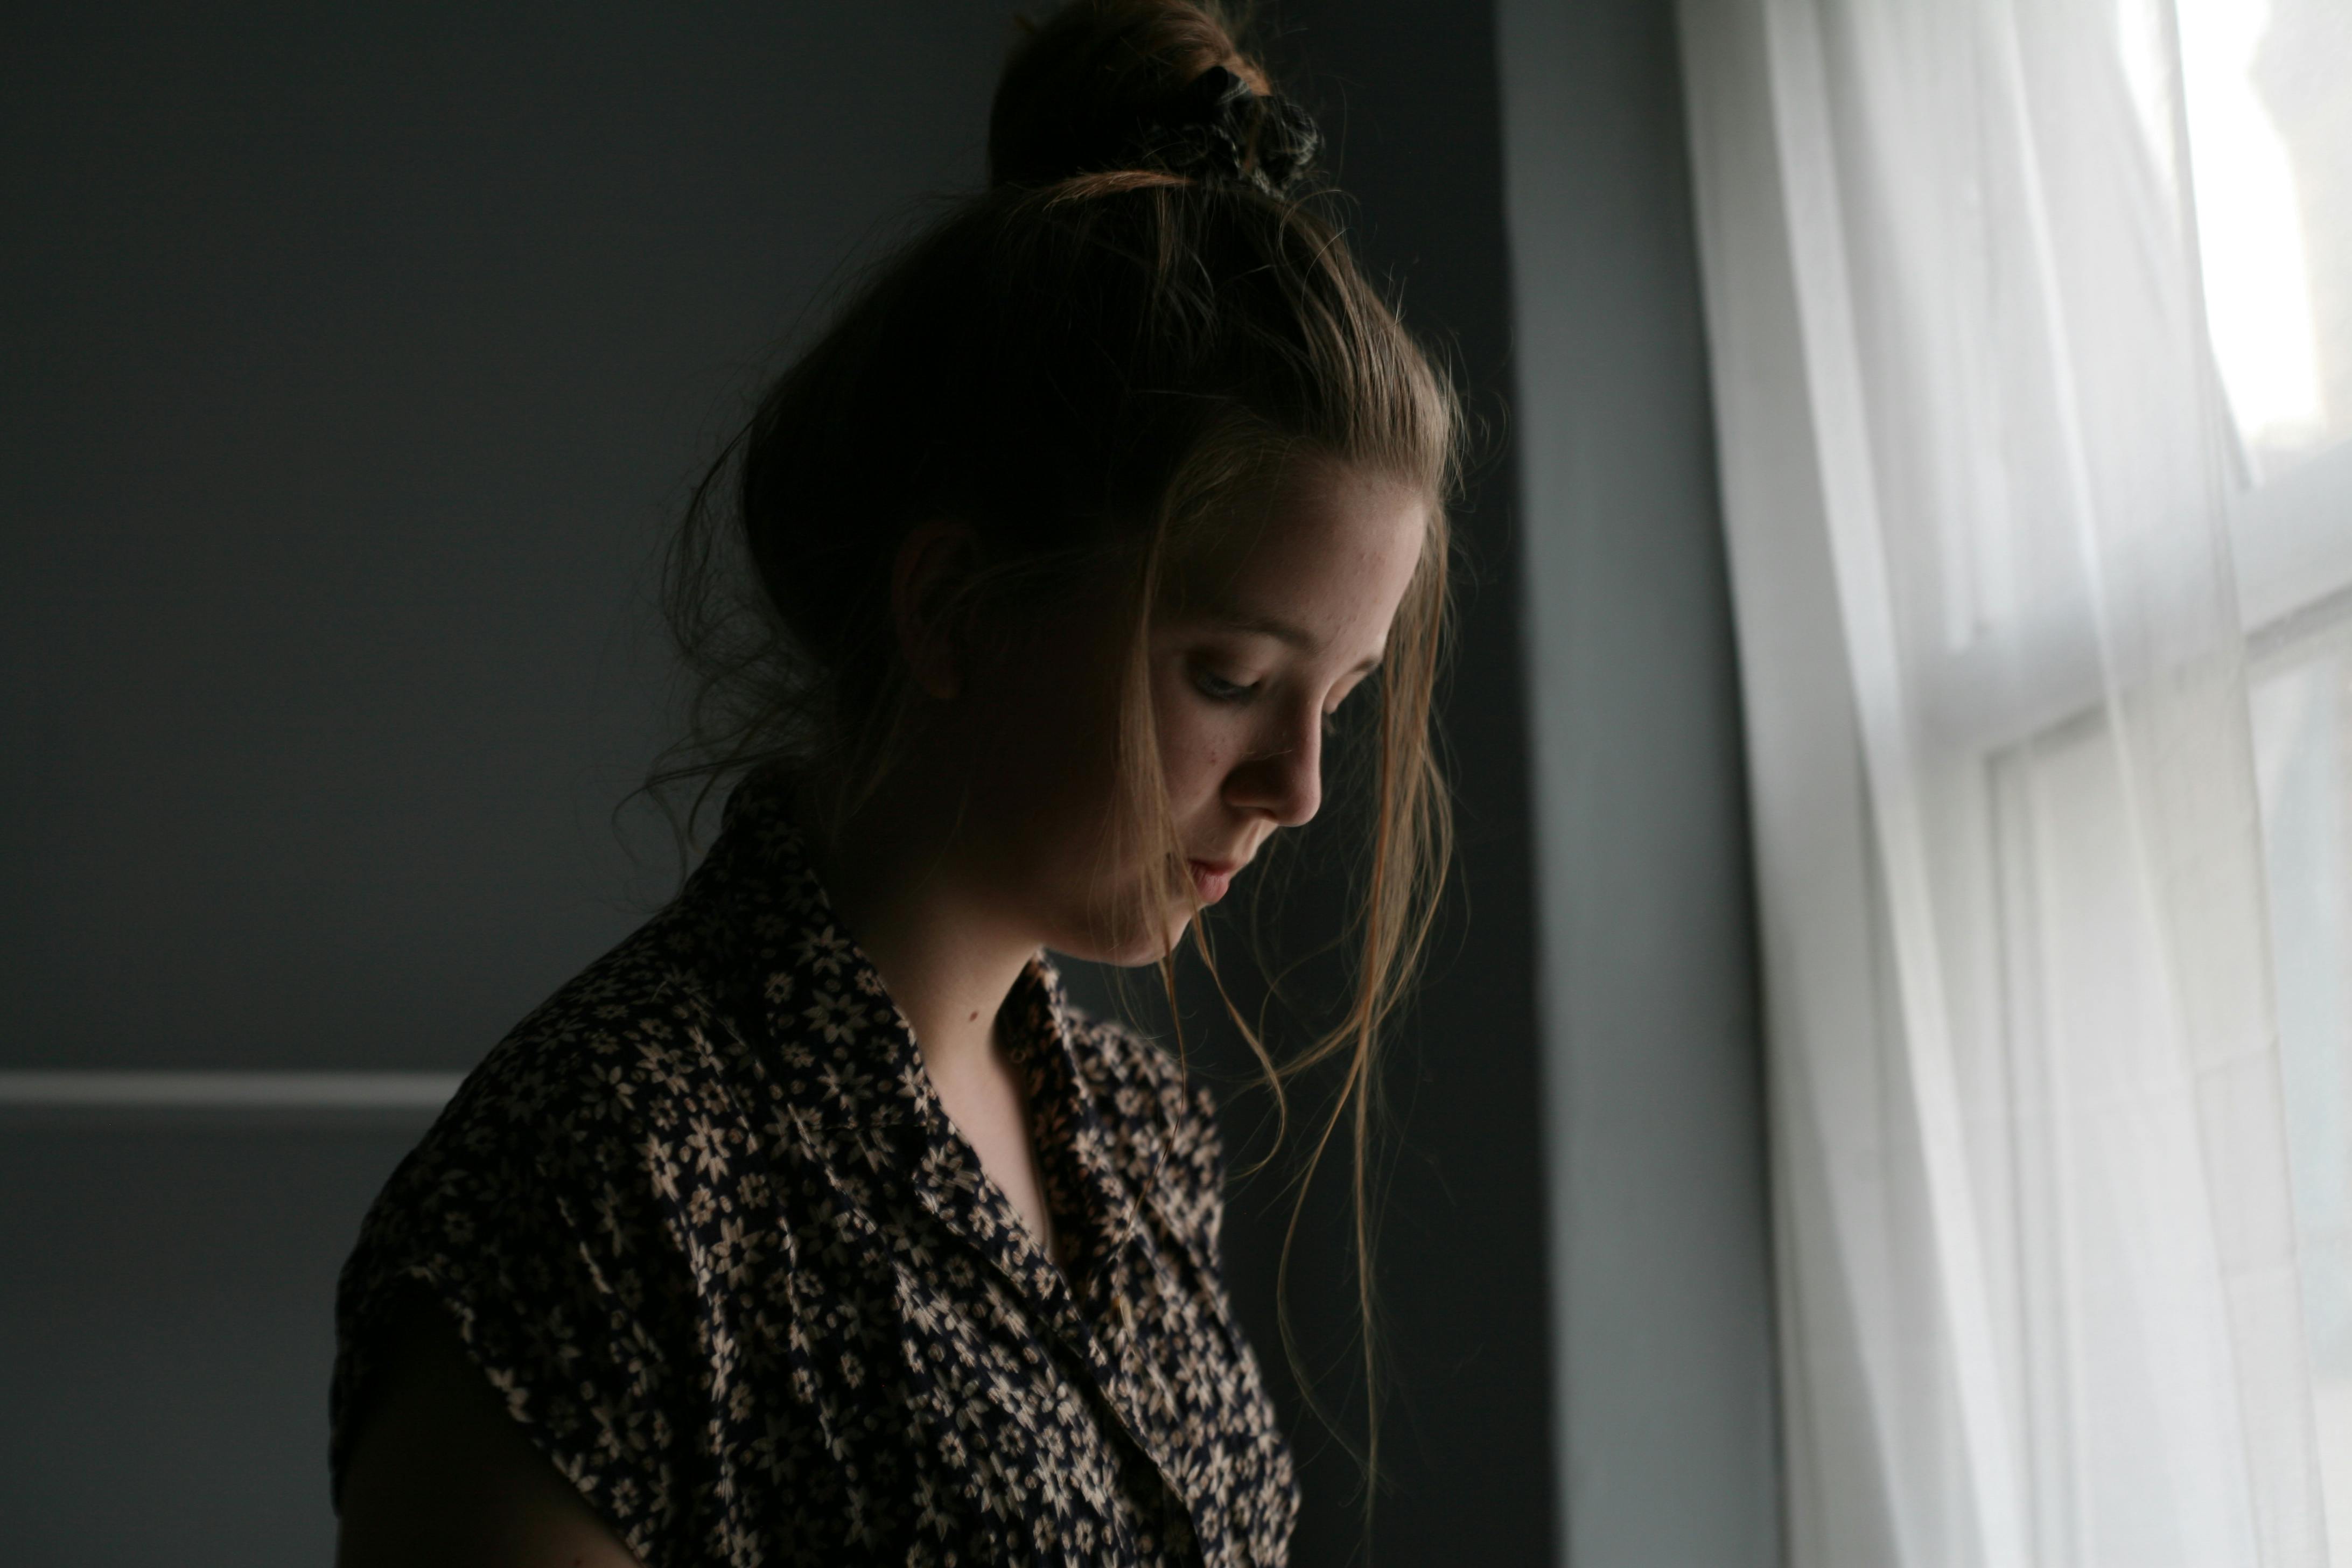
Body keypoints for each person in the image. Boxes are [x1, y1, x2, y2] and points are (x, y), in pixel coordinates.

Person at [328, 2, 1458, 1563]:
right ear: (954, 610)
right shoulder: (604, 1180)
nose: (1300, 787)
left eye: (1340, 695)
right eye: (1228, 678)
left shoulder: (1142, 1138)